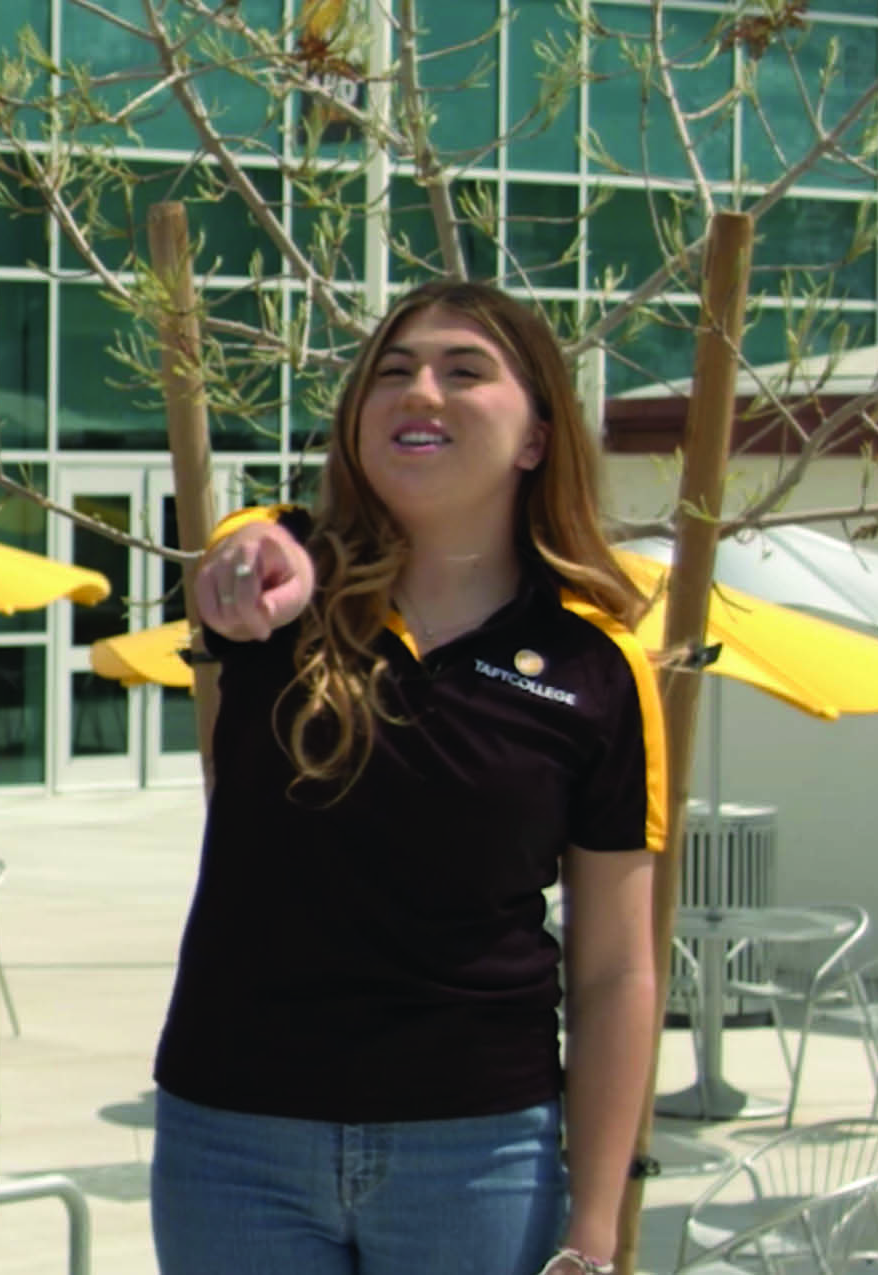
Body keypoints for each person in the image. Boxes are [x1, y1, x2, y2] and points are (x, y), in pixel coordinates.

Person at [157, 278, 664, 1275]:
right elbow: (237, 560)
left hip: (479, 1154)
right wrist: (248, 552)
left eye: (464, 371)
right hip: (234, 1140)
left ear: (535, 437)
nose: (419, 390)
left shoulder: (595, 667)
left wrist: (598, 1228)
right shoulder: (278, 586)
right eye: (392, 373)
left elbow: (615, 971)